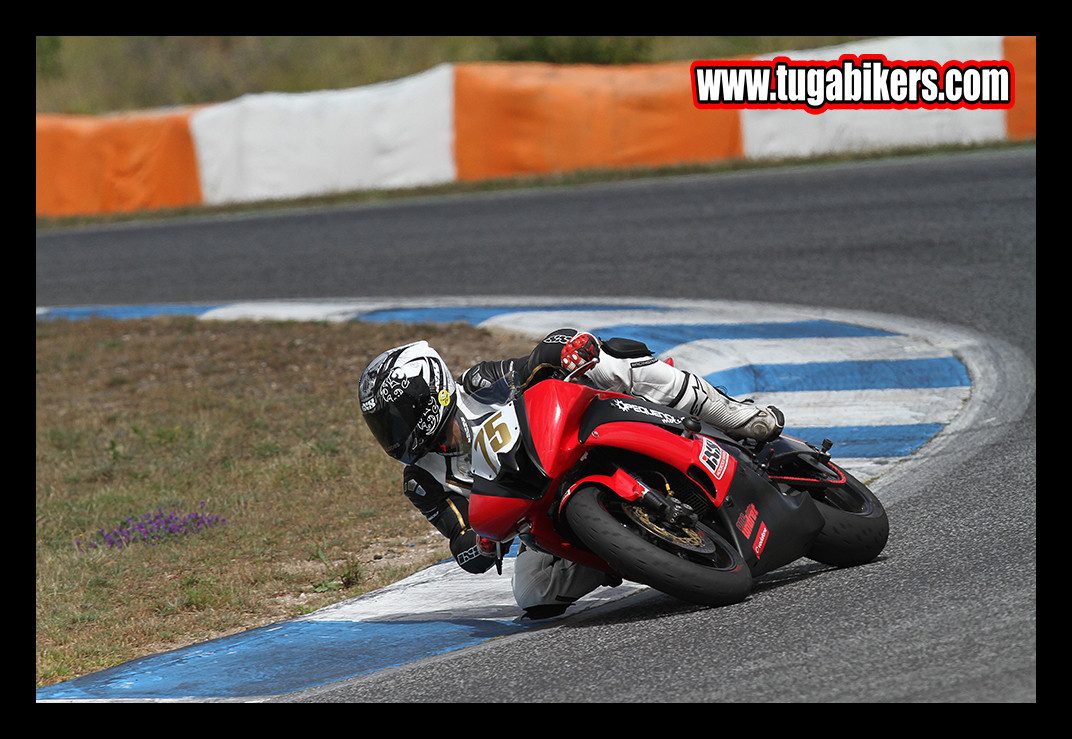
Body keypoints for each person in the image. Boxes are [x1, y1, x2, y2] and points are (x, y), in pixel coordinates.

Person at [358, 328, 784, 618]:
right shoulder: (422, 480)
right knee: (532, 594)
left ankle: (734, 415)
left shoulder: (478, 385)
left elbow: (532, 365)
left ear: (428, 394)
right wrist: (480, 545)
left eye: (397, 418)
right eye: (384, 427)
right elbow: (460, 539)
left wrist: (561, 350)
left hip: (578, 439)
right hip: (546, 513)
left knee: (611, 362)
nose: (393, 434)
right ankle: (628, 550)